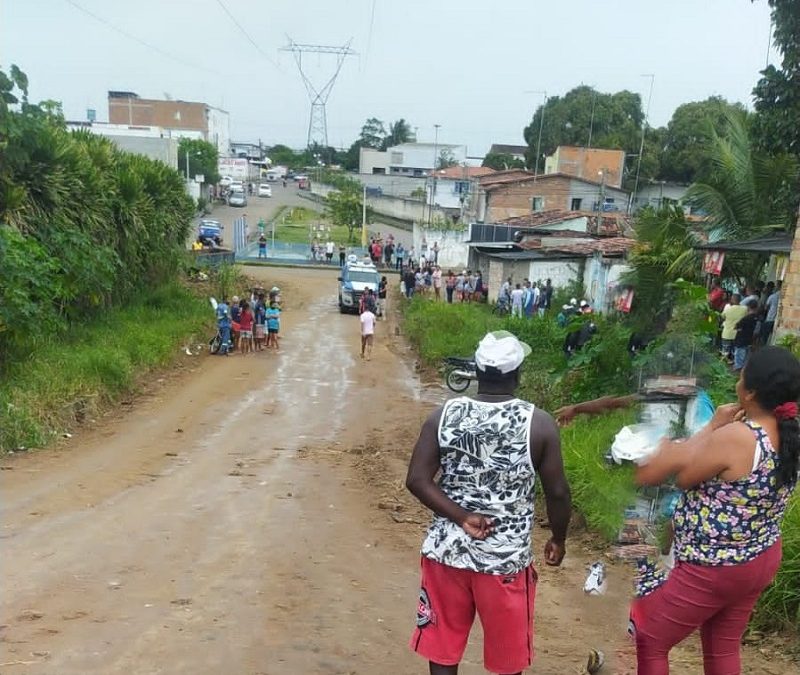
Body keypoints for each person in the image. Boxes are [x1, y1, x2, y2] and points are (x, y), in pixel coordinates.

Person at [405, 330, 571, 675]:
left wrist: (462, 515)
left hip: (446, 554)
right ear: (517, 375)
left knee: (443, 648)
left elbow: (417, 480)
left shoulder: (443, 416)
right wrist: (558, 538)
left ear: (477, 372)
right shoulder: (538, 424)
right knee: (508, 658)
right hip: (505, 562)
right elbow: (557, 492)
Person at [632, 346, 800, 674]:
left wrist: (711, 428)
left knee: (650, 637)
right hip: (758, 556)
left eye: (741, 374)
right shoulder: (788, 433)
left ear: (749, 392)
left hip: (716, 565)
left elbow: (683, 476)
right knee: (722, 646)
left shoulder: (738, 436)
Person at [733, 299, 759, 371]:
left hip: (741, 339)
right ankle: (744, 369)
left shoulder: (746, 318)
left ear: (748, 307)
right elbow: (757, 331)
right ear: (756, 307)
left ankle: (738, 369)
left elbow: (736, 326)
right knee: (746, 356)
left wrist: (739, 329)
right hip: (750, 339)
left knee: (739, 355)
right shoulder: (757, 318)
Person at [720, 294, 747, 361]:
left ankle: (725, 362)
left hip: (727, 333)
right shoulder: (744, 309)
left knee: (725, 350)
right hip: (737, 333)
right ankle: (733, 363)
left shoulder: (728, 309)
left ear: (732, 300)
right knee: (735, 351)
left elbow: (722, 317)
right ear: (740, 300)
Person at [762, 280, 781, 345]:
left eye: (776, 286)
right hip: (778, 319)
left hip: (770, 318)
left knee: (765, 337)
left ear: (778, 286)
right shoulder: (782, 296)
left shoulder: (773, 296)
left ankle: (764, 349)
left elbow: (766, 307)